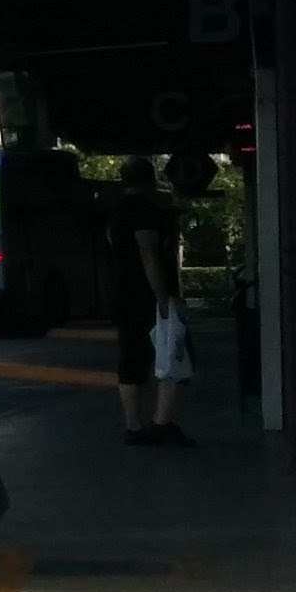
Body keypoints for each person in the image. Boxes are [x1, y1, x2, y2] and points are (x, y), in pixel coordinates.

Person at [102, 154, 187, 446]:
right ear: (150, 180)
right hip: (145, 295)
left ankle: (133, 426)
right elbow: (148, 254)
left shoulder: (114, 212)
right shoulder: (145, 212)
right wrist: (162, 296)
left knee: (130, 358)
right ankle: (162, 422)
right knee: (173, 352)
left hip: (121, 293)